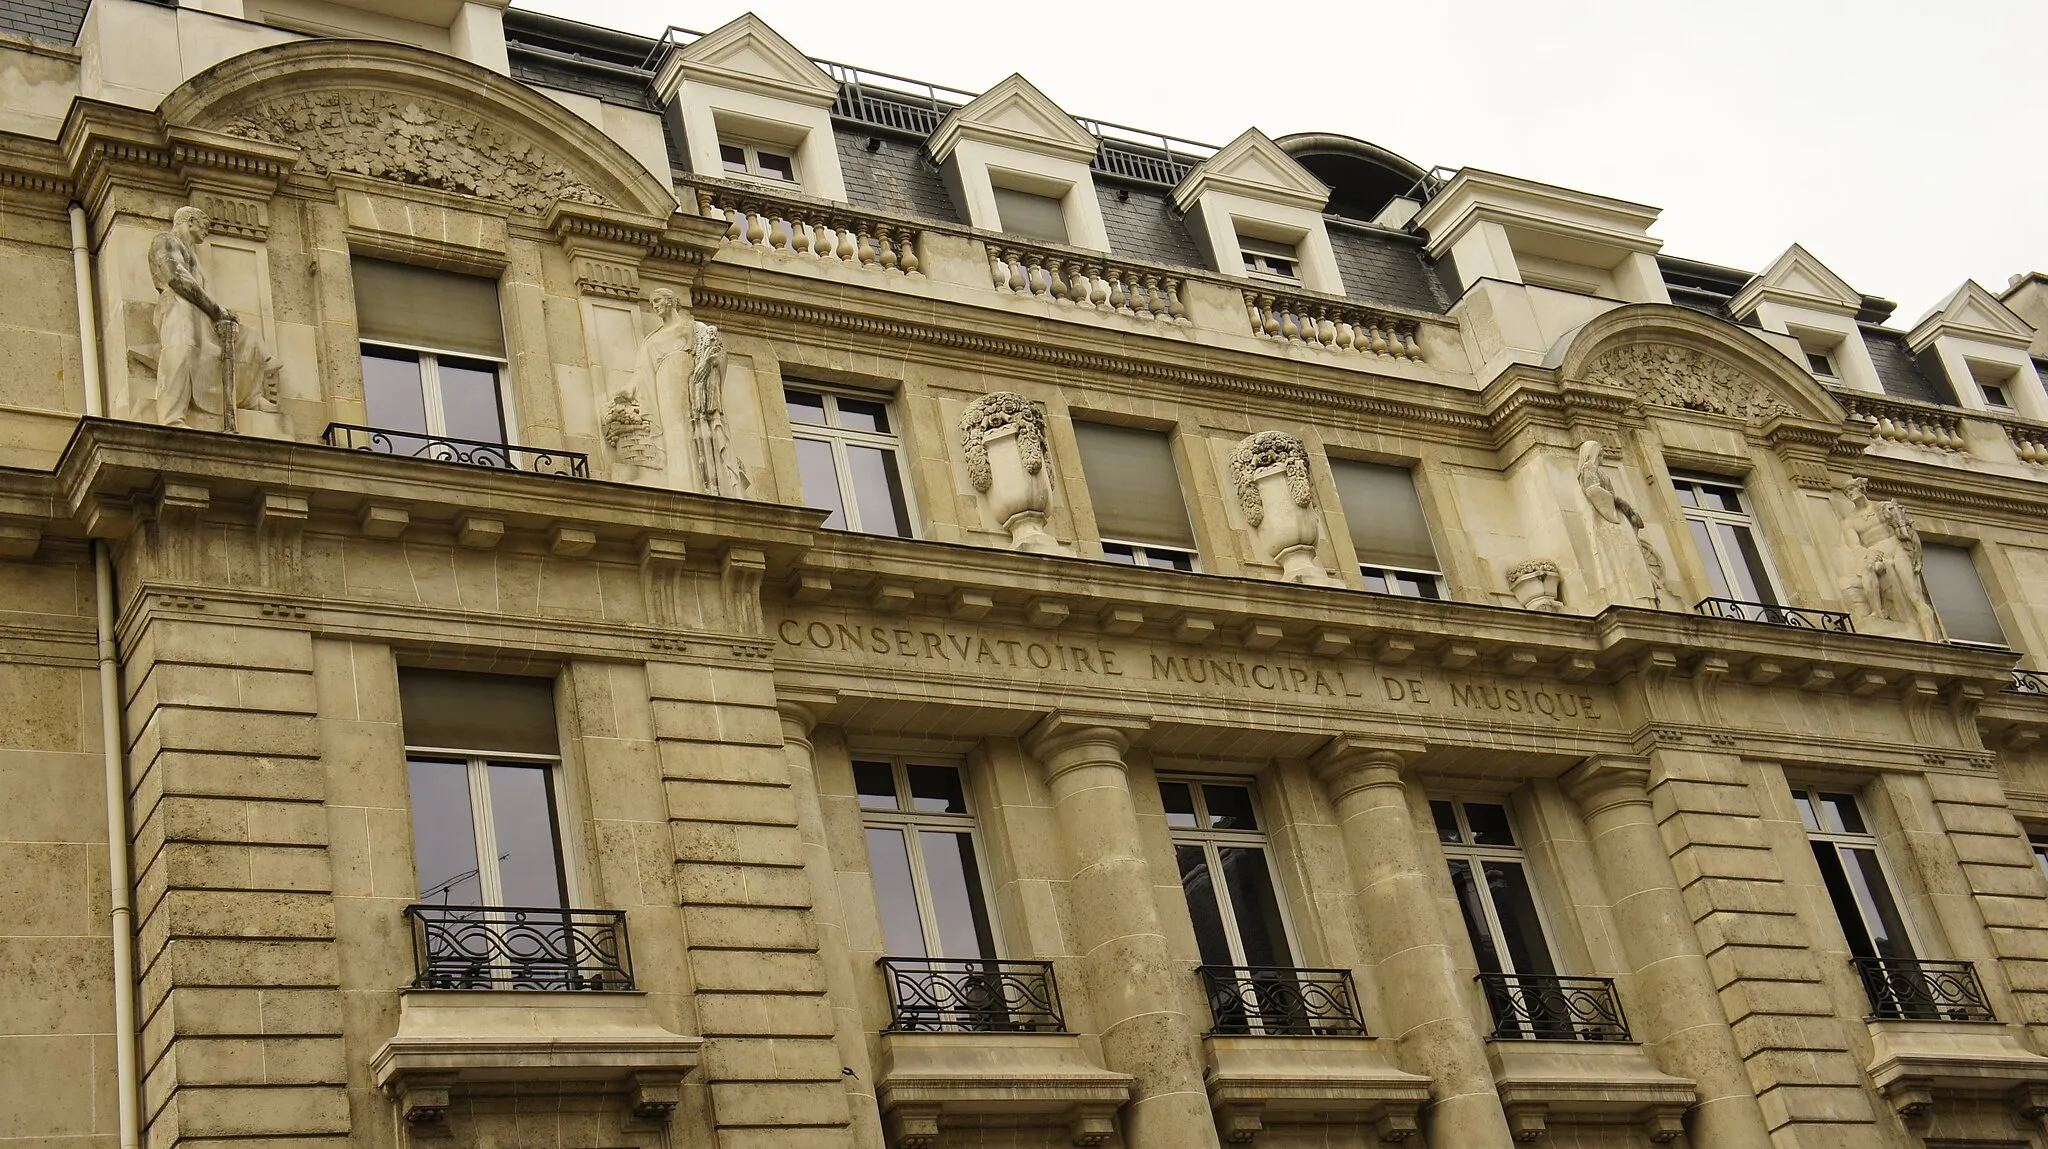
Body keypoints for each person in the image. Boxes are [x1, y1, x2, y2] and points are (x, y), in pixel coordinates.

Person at [147, 206, 278, 428]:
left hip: (200, 312)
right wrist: (217, 310)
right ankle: (172, 416)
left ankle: (248, 397)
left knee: (249, 338)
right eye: (204, 225)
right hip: (177, 306)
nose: (206, 230)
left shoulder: (194, 258)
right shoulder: (166, 240)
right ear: (189, 221)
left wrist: (218, 312)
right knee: (182, 350)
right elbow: (176, 279)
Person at [1839, 477, 1939, 641]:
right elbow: (1854, 546)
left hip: (1896, 547)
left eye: (1852, 489)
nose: (1850, 494)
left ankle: (1930, 637)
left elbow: (1907, 533)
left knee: (1913, 594)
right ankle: (1878, 612)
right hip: (1875, 551)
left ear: (1861, 488)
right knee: (1868, 570)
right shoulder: (1849, 522)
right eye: (1847, 492)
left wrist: (1916, 555)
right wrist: (1868, 553)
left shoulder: (1884, 507)